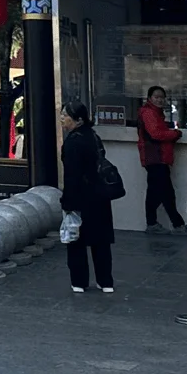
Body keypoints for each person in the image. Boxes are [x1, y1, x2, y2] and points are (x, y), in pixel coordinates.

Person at [59, 100, 115, 294]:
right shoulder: (94, 137)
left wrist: (67, 202)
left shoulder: (73, 142)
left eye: (65, 115)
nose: (62, 118)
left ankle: (79, 282)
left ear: (78, 120)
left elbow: (71, 175)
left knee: (76, 240)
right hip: (100, 195)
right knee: (101, 241)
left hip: (80, 198)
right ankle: (105, 281)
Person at [137, 86, 185, 233]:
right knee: (165, 193)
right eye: (156, 97)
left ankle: (153, 223)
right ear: (149, 98)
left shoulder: (154, 113)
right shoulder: (149, 113)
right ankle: (177, 224)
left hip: (156, 158)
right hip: (156, 157)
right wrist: (175, 134)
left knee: (157, 192)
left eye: (162, 97)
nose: (159, 100)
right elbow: (156, 134)